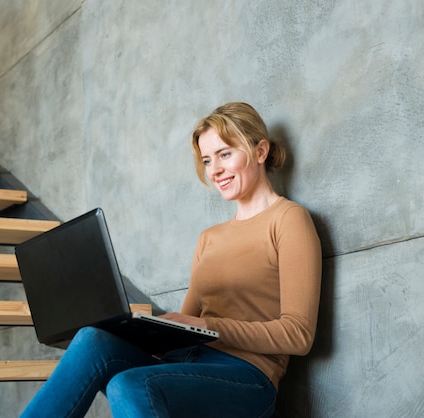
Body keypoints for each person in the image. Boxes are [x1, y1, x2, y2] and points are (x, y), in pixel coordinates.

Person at [20, 102, 322, 418]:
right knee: (91, 338)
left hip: (248, 377)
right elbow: (185, 324)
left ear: (260, 152)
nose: (214, 170)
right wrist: (133, 326)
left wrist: (209, 326)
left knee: (129, 385)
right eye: (207, 160)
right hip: (186, 362)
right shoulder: (210, 238)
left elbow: (299, 335)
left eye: (224, 154)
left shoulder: (288, 220)